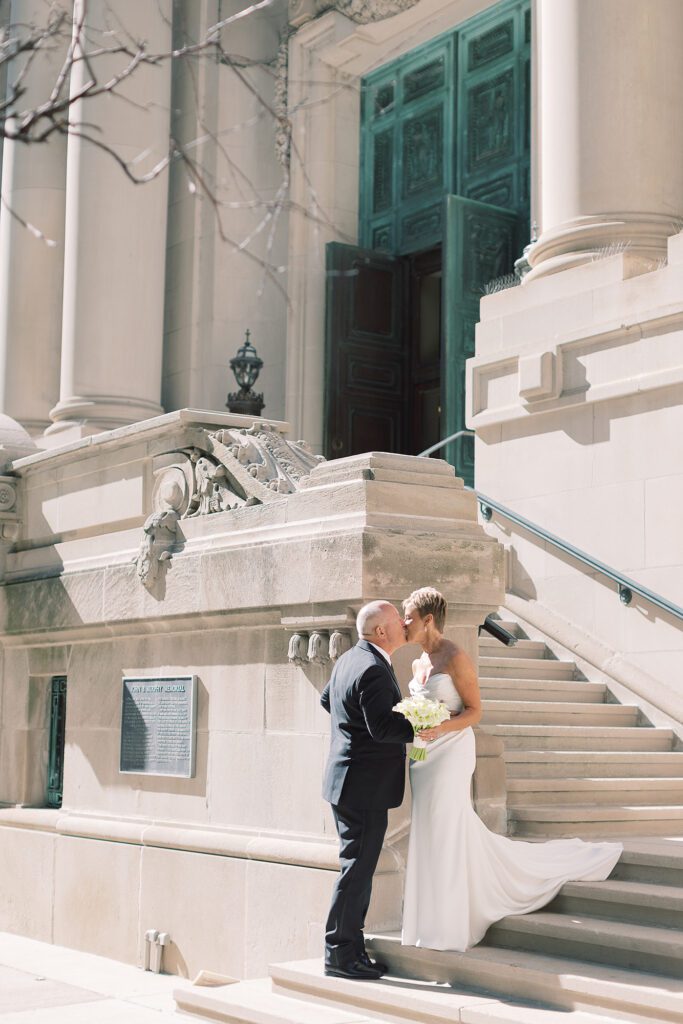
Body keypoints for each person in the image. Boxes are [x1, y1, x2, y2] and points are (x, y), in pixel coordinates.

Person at [401, 586, 623, 951]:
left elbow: (475, 711)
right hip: (423, 757)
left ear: (427, 621)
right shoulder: (417, 663)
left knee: (448, 827)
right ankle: (428, 919)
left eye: (408, 617)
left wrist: (441, 727)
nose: (403, 623)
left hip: (453, 751)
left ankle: (450, 924)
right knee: (428, 831)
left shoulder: (455, 657)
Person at [321, 600, 414, 979]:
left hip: (349, 782)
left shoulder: (350, 659)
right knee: (356, 871)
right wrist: (424, 726)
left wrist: (350, 733)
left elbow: (328, 699)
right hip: (363, 787)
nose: (404, 625)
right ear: (381, 631)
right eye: (397, 621)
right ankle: (340, 955)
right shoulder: (373, 668)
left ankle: (349, 948)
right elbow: (383, 729)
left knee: (355, 868)